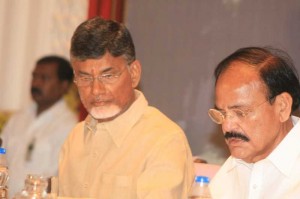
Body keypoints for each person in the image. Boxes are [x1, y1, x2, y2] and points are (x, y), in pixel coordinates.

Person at [58, 17, 194, 199]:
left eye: (108, 76)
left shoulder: (164, 141)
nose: (96, 90)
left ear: (134, 73)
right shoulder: (75, 138)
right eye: (85, 78)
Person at [208, 47, 300, 199]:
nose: (227, 126)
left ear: (282, 107)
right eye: (222, 114)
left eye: (240, 112)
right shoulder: (232, 168)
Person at [1, 56, 77, 197]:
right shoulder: (18, 119)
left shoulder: (70, 127)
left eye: (45, 78)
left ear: (64, 85)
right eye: (34, 76)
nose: (36, 83)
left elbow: (64, 179)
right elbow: (2, 153)